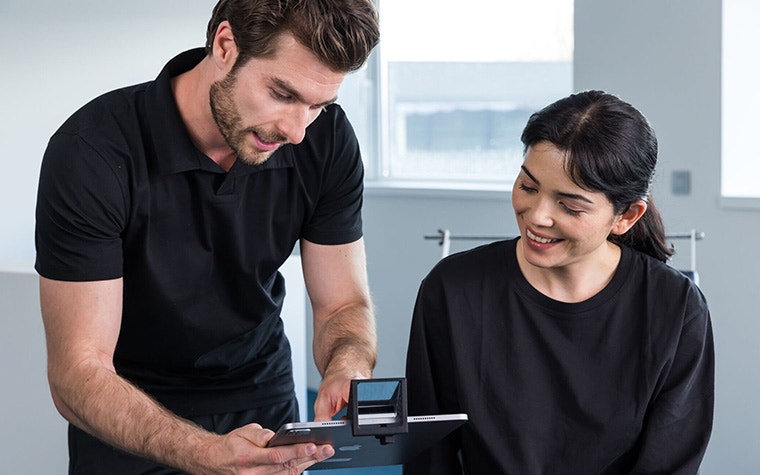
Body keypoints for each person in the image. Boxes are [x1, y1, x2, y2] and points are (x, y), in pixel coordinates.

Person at [34, 0, 380, 473]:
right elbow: (78, 372)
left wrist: (349, 362)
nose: (298, 131)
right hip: (128, 410)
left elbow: (343, 306)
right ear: (224, 45)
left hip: (262, 393)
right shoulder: (92, 152)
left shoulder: (327, 142)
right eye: (282, 93)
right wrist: (206, 453)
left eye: (318, 106)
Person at [403, 90, 714, 474]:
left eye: (569, 206)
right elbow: (429, 456)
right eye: (528, 187)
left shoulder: (676, 308)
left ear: (626, 216)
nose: (537, 217)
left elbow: (669, 464)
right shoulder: (452, 290)